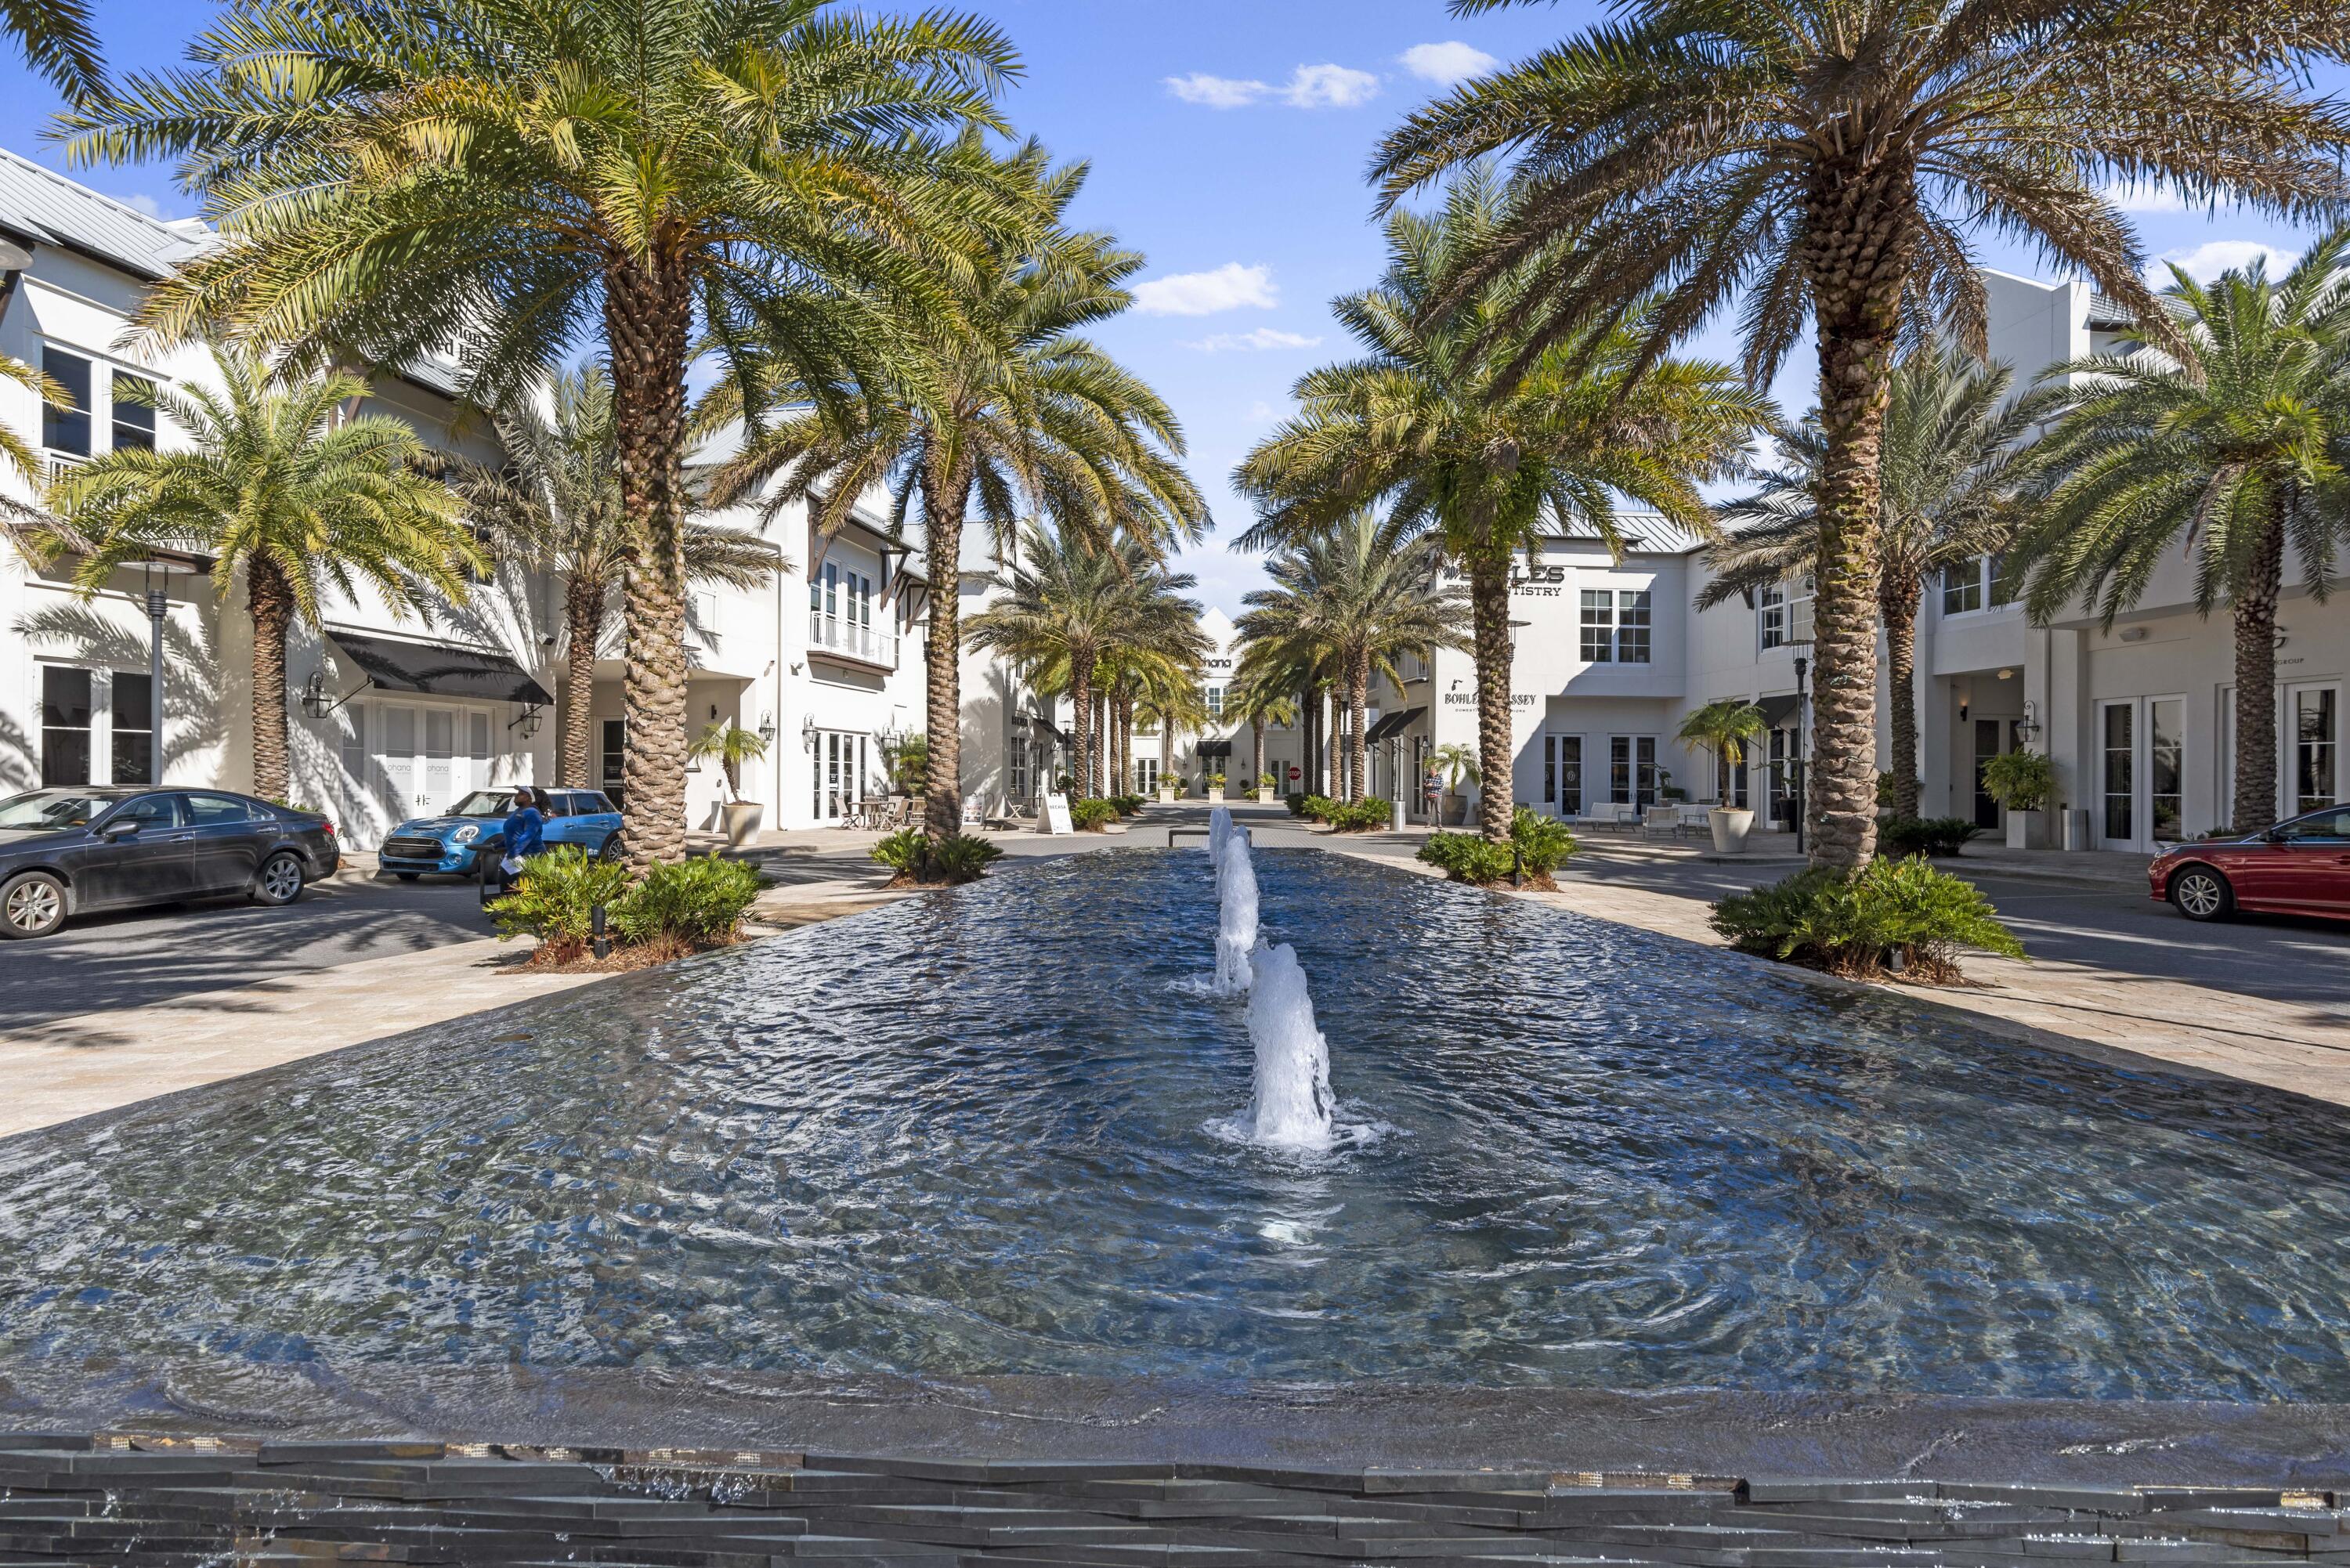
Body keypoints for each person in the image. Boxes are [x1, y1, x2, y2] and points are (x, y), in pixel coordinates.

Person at [485, 786, 546, 901]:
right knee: (506, 882)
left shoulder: (532, 813)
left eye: (521, 794)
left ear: (529, 798)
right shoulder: (518, 811)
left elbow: (529, 835)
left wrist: (514, 852)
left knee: (523, 885)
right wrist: (498, 845)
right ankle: (509, 912)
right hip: (517, 854)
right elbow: (514, 834)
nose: (516, 796)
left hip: (530, 855)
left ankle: (516, 913)